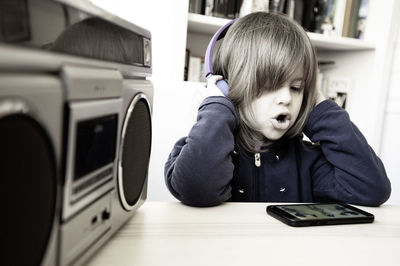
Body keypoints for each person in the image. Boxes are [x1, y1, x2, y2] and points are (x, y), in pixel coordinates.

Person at [164, 12, 391, 207]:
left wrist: (321, 111)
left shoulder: (307, 161)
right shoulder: (200, 147)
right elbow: (195, 189)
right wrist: (217, 109)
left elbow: (372, 188)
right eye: (270, 85)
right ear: (226, 88)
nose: (286, 98)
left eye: (296, 88)